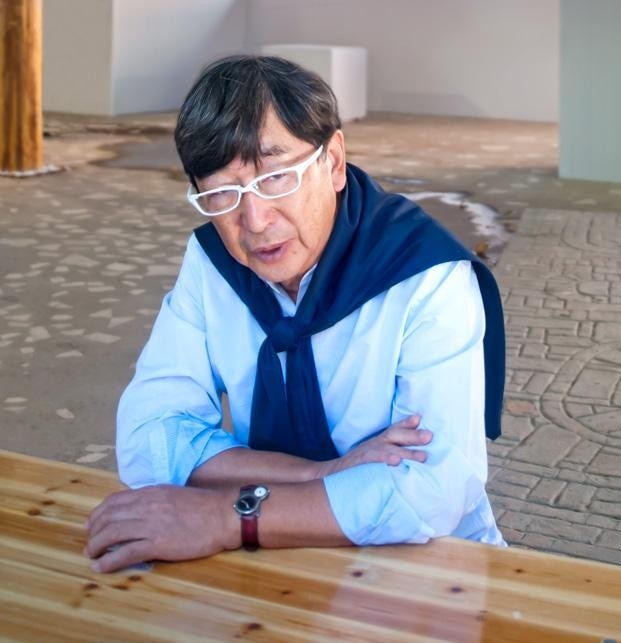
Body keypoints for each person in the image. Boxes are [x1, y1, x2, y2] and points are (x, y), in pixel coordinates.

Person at [84, 55, 506, 573]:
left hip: (431, 567)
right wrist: (321, 475)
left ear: (333, 162)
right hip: (273, 568)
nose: (255, 220)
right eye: (221, 192)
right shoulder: (214, 263)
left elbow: (433, 492)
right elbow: (148, 439)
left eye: (276, 177)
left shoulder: (423, 276)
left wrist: (227, 515)